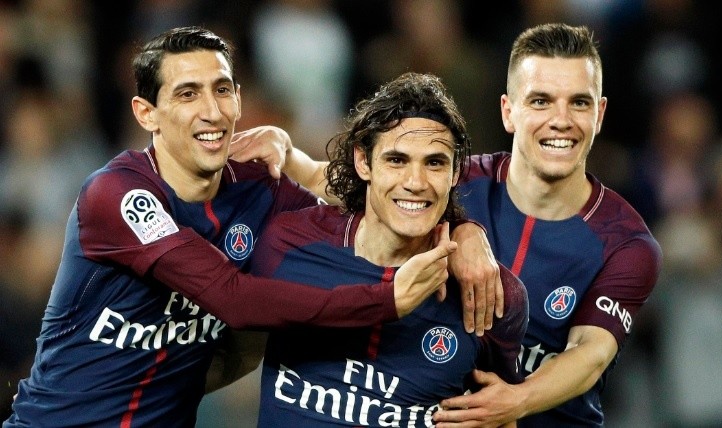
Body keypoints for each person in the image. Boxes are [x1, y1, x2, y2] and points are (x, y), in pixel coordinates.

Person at [2, 26, 483, 428]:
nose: (211, 111)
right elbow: (234, 299)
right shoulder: (117, 194)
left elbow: (367, 204)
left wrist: (464, 231)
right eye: (187, 94)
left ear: (238, 98)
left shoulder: (258, 190)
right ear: (146, 113)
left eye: (222, 89)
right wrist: (387, 299)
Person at [230, 22, 662, 427]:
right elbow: (352, 181)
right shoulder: (446, 179)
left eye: (579, 102)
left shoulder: (625, 242)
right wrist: (285, 150)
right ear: (508, 112)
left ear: (600, 114)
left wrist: (515, 401)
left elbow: (590, 353)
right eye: (540, 101)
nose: (561, 119)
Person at [248, 71, 528, 427]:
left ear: (456, 172)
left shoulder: (491, 293)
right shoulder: (289, 244)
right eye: (396, 160)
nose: (415, 182)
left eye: (434, 163)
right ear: (363, 162)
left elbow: (501, 415)